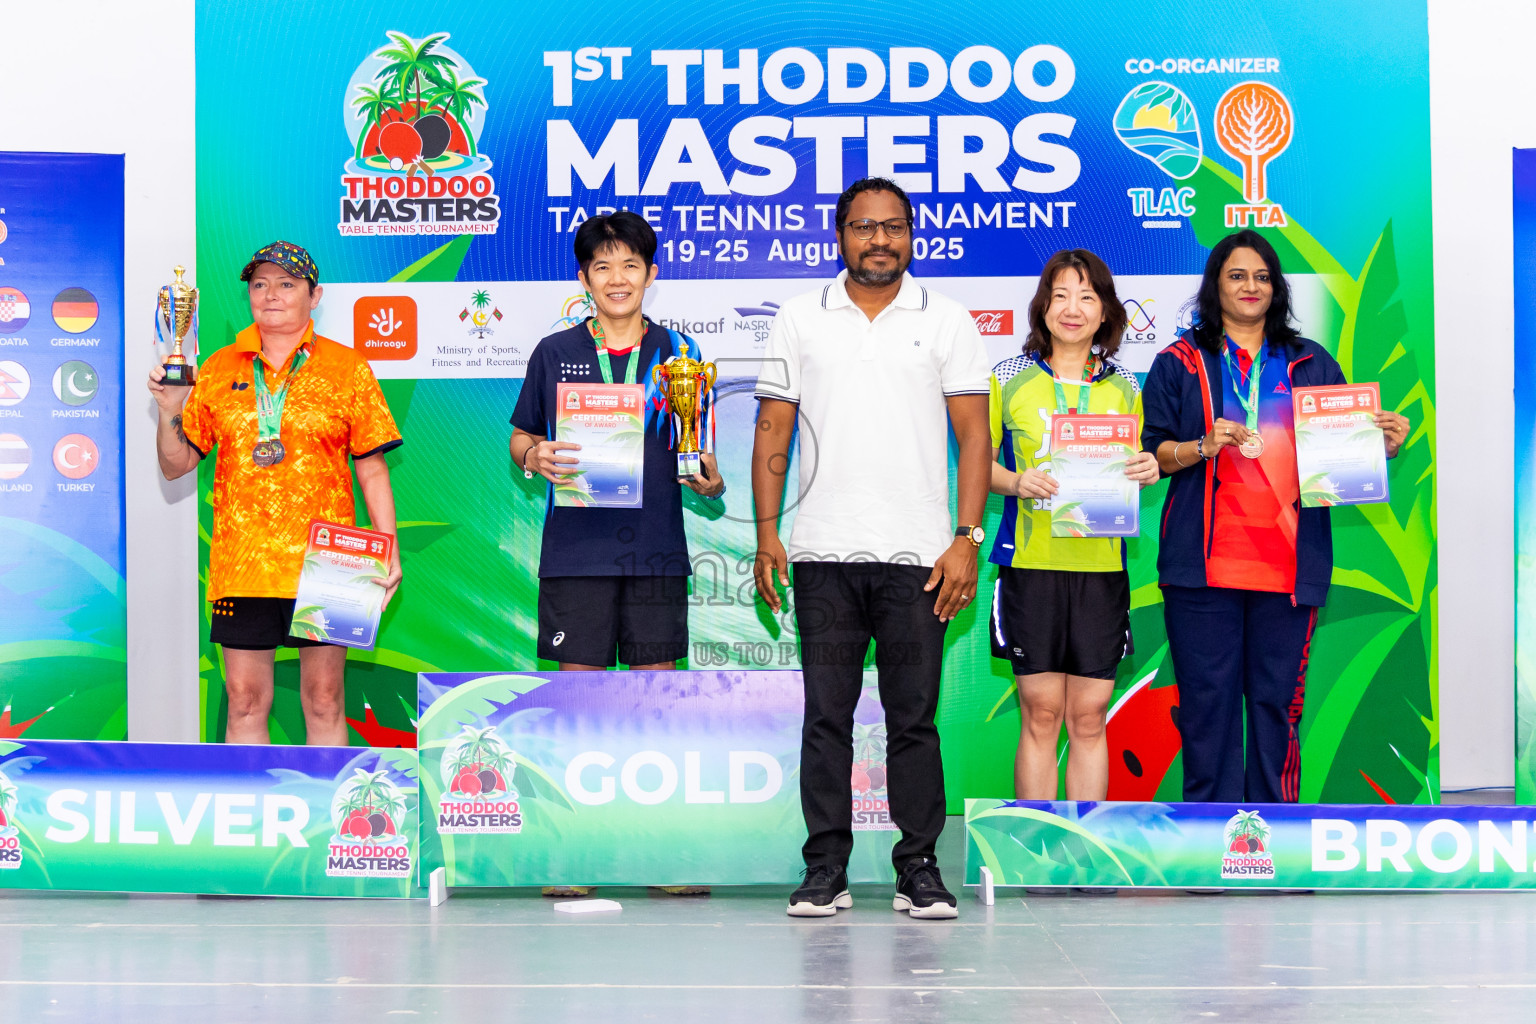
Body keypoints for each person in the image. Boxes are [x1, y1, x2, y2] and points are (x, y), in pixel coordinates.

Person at [752, 177, 991, 920]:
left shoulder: (948, 320)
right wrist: (767, 532)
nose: (879, 240)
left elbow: (976, 435)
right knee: (826, 717)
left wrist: (966, 538)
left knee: (912, 719)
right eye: (864, 227)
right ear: (840, 236)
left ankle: (918, 866)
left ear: (912, 235)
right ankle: (825, 868)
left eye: (892, 227)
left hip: (919, 560)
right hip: (822, 553)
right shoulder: (798, 318)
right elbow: (771, 430)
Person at [1141, 229, 1411, 802]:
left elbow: (1342, 459)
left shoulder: (1312, 362)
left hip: (1288, 568)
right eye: (1237, 275)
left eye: (1262, 276)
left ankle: (1274, 838)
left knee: (1275, 710)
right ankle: (1211, 844)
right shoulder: (1179, 362)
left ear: (1277, 288)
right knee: (1207, 709)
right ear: (1215, 284)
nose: (1250, 286)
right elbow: (1153, 453)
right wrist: (1201, 447)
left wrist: (1380, 446)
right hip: (1202, 568)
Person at [509, 211, 724, 897]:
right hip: (575, 550)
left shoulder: (681, 354)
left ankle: (660, 853)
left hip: (656, 551)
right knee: (581, 698)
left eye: (630, 264)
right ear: (584, 278)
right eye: (602, 266)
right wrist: (535, 454)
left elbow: (703, 454)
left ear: (651, 274)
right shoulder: (554, 351)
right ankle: (573, 855)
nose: (617, 277)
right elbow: (519, 438)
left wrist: (708, 478)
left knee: (654, 696)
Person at [149, 241, 403, 745]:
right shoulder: (219, 369)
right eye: (259, 284)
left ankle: (332, 818)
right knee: (244, 701)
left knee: (326, 698)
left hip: (332, 560)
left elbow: (372, 467)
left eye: (286, 284)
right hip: (244, 562)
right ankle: (256, 820)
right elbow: (176, 465)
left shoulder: (347, 368)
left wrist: (386, 545)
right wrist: (169, 408)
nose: (271, 295)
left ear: (315, 295)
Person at [987, 250, 1160, 802]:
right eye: (1060, 295)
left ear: (1106, 312)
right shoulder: (1008, 377)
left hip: (1100, 569)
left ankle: (1086, 851)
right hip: (1030, 568)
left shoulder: (1126, 385)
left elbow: (1136, 461)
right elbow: (976, 465)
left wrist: (1148, 466)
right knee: (1040, 714)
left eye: (1087, 297)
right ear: (1042, 307)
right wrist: (1016, 482)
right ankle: (1032, 850)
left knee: (1088, 718)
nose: (1073, 308)